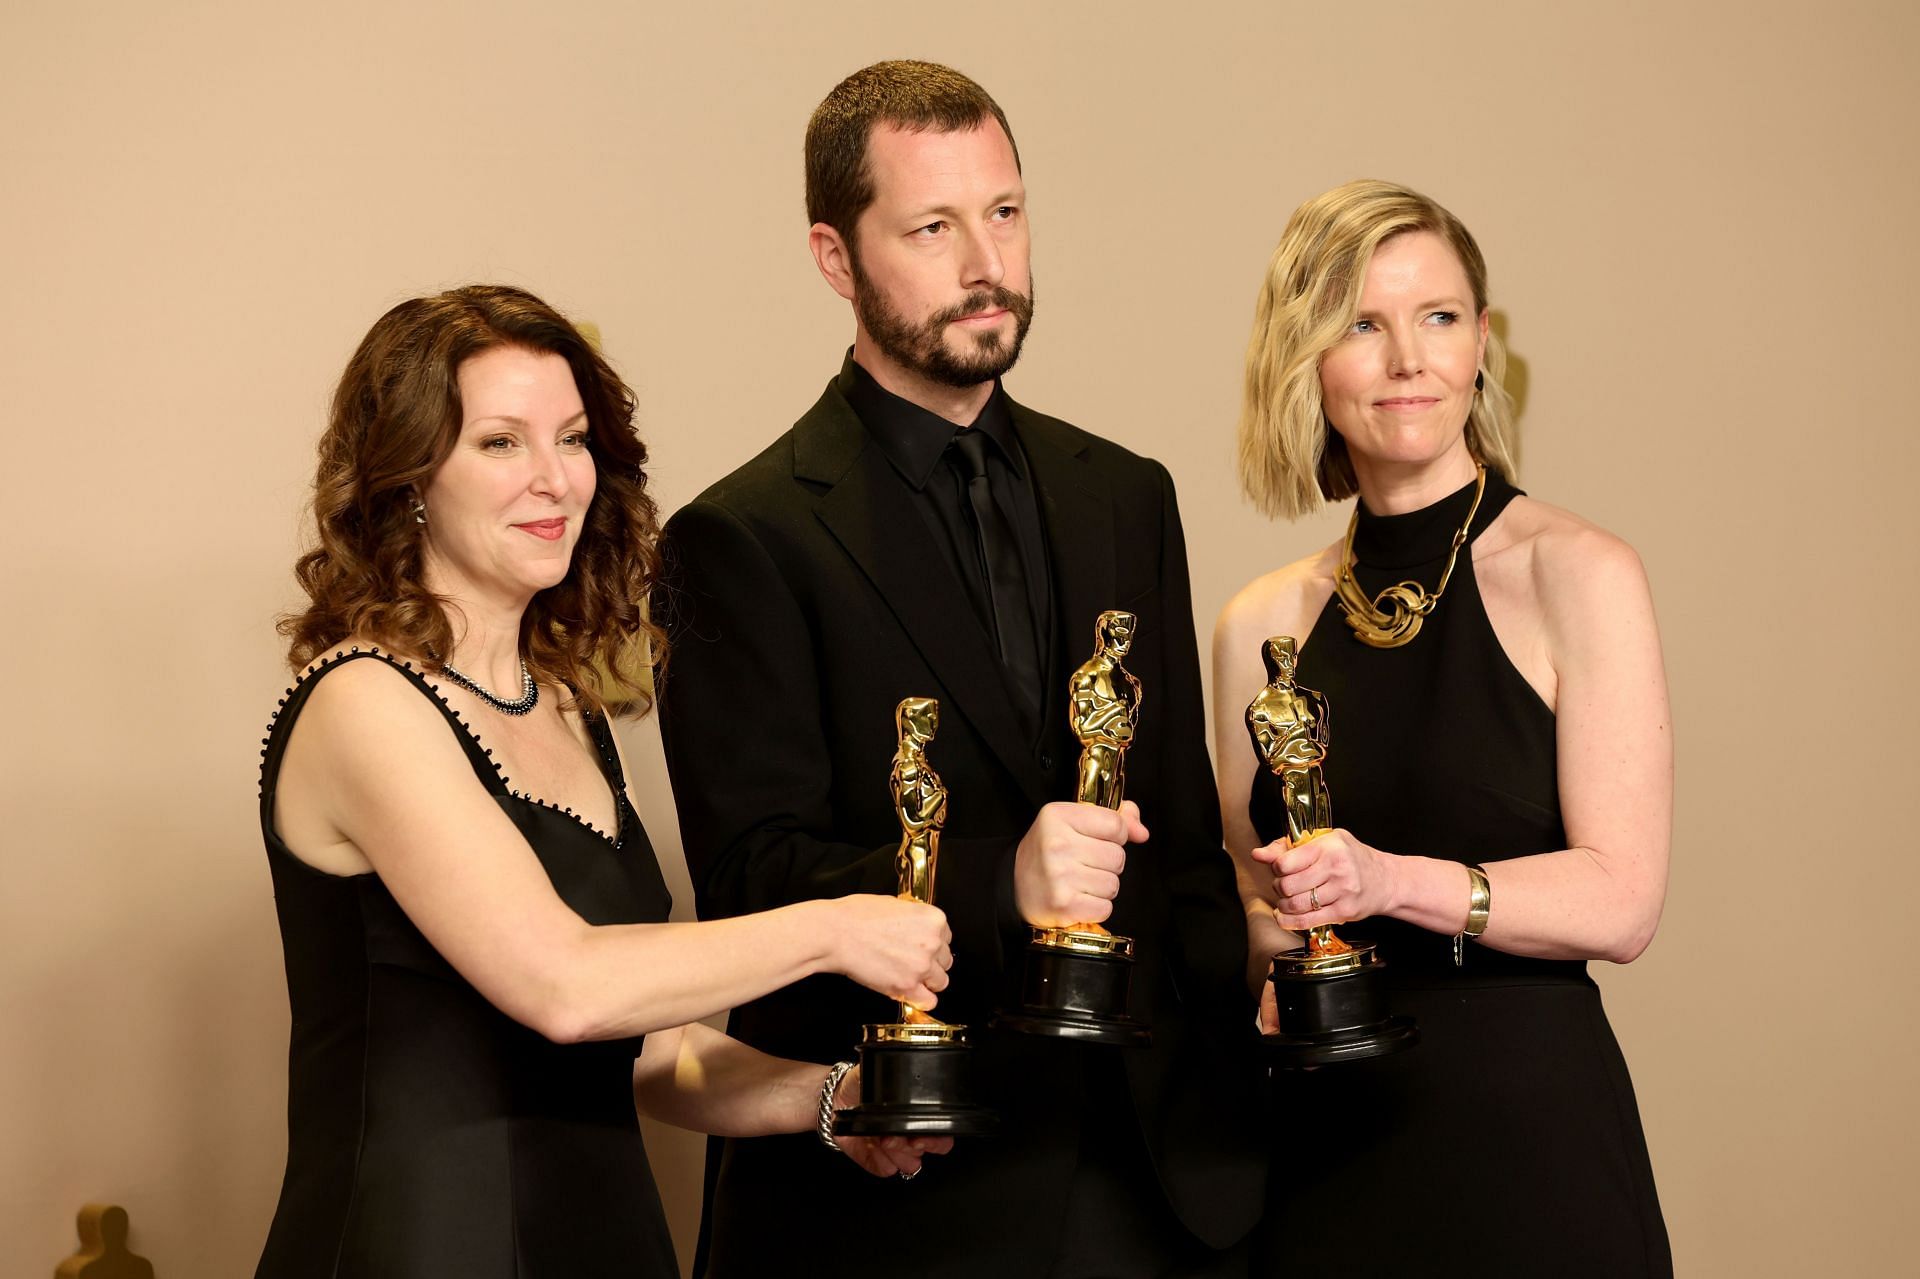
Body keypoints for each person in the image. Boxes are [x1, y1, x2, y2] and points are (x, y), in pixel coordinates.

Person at [655, 60, 1262, 1279]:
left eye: (1005, 212)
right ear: (837, 258)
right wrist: (997, 882)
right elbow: (748, 879)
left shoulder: (1126, 495)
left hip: (1162, 1188)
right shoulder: (741, 538)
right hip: (899, 1202)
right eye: (931, 228)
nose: (985, 263)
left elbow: (1185, 841)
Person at [255, 284, 956, 1278]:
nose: (553, 481)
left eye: (573, 439)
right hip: (417, 1247)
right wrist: (835, 927)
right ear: (412, 475)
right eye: (501, 443)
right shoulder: (362, 701)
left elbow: (657, 1051)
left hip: (600, 1237)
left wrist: (834, 1097)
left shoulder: (570, 706)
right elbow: (565, 987)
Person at [1213, 179, 1672, 1275]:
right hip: (1325, 1156)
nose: (1408, 359)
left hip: (1528, 1146)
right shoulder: (1258, 624)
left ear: (1478, 345)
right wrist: (1263, 983)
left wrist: (1391, 884)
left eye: (1439, 317)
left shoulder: (1579, 573)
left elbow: (1623, 898)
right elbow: (1250, 907)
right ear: (1306, 361)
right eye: (1362, 326)